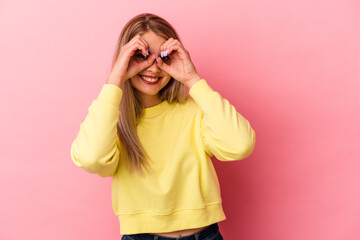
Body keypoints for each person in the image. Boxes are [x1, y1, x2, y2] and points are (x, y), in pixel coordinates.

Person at [70, 13, 256, 240]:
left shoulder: (195, 110)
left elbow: (240, 145)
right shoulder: (111, 118)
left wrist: (192, 79)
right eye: (141, 56)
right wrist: (115, 79)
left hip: (204, 235)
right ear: (124, 59)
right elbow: (91, 158)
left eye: (164, 57)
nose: (153, 67)